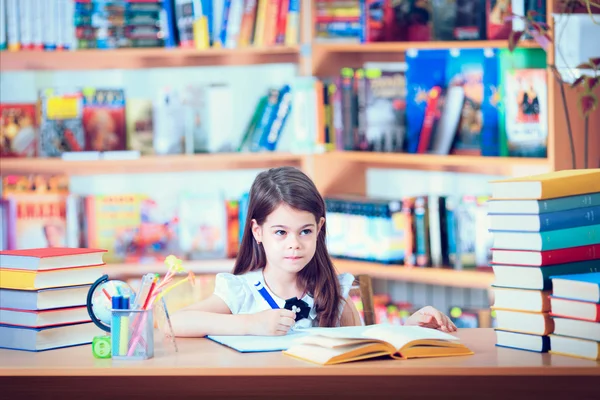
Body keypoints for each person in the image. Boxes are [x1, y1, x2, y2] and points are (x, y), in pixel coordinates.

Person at [171, 167, 457, 337]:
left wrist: (409, 330)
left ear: (319, 227)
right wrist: (250, 324)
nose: (294, 243)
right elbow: (175, 323)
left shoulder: (334, 291)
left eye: (304, 231)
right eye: (280, 232)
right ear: (258, 232)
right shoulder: (241, 292)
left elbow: (364, 346)